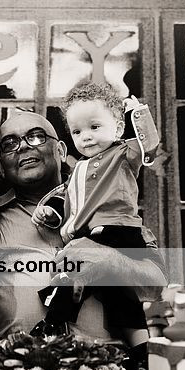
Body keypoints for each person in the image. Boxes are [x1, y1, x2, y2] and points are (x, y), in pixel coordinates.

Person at [0, 110, 166, 370]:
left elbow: (156, 285)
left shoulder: (109, 211)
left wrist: (110, 260)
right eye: (9, 143)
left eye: (36, 136)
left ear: (60, 150)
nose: (22, 147)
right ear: (1, 164)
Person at [31, 82, 160, 351]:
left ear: (118, 129)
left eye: (95, 127)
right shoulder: (78, 168)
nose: (86, 137)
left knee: (69, 272)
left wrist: (137, 115)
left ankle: (52, 323)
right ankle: (141, 349)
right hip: (93, 234)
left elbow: (148, 146)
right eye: (77, 131)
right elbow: (70, 200)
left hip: (117, 229)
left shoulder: (123, 155)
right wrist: (53, 214)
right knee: (118, 296)